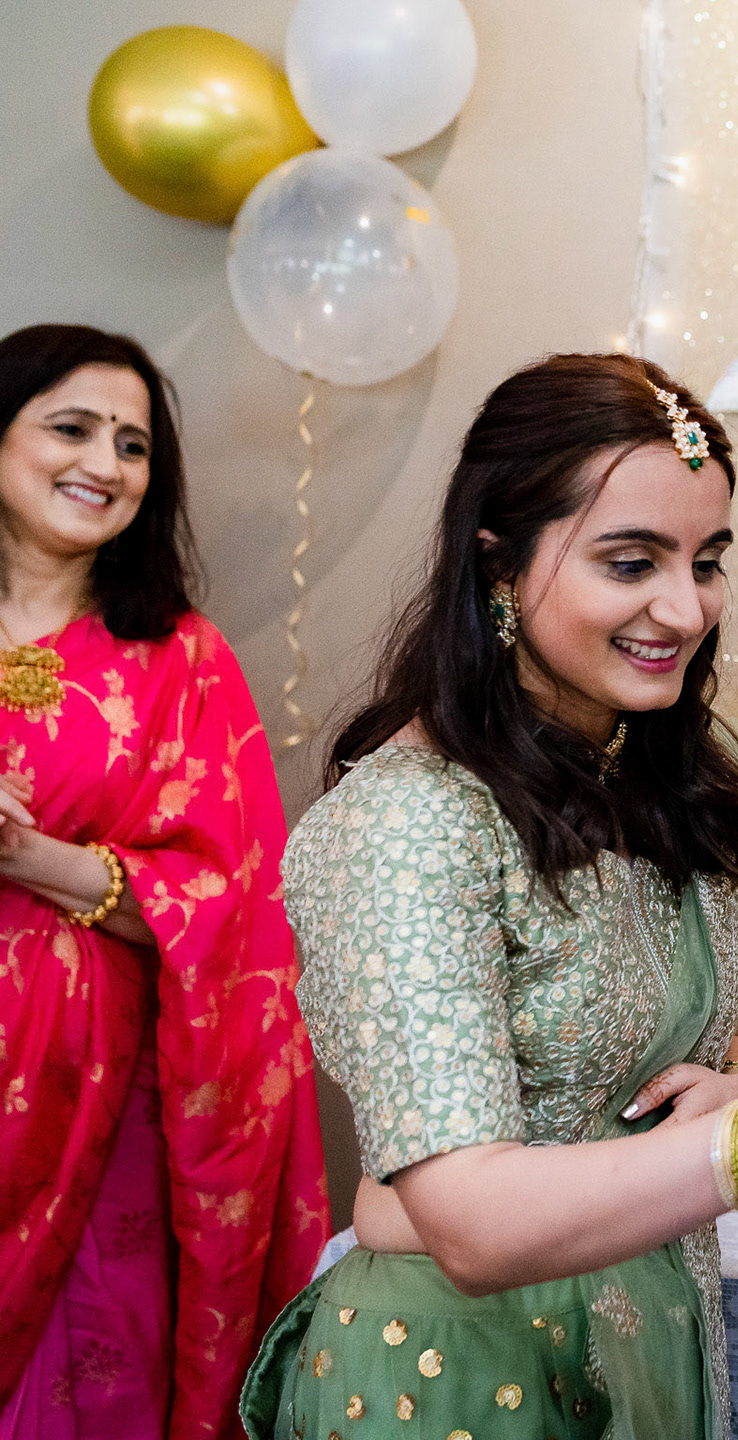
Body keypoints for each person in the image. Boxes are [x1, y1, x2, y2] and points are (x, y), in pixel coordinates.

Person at [240, 353, 738, 1440]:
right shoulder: (410, 820)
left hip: (649, 1333)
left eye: (707, 562)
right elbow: (470, 1223)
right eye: (631, 562)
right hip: (457, 1374)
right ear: (499, 563)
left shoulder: (662, 774)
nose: (685, 608)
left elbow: (655, 1038)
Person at [0, 325, 330, 1439]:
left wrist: (27, 856)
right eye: (72, 428)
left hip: (104, 1128)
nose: (106, 463)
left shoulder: (182, 661)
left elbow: (233, 909)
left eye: (134, 444)